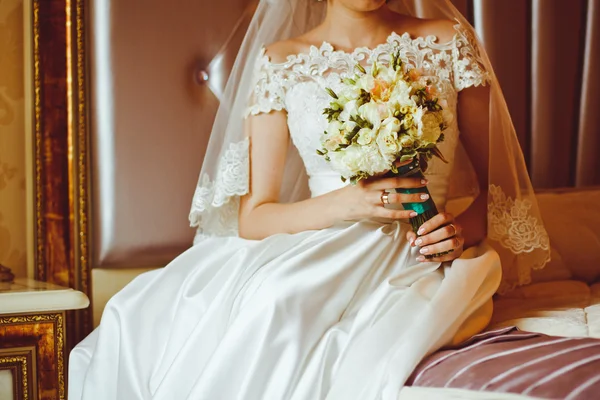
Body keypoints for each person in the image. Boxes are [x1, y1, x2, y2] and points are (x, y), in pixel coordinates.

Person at [69, 0, 550, 399]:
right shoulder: (282, 61)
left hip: (414, 253)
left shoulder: (446, 42)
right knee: (246, 304)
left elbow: (503, 192)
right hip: (318, 242)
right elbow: (254, 216)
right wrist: (351, 203)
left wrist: (457, 232)